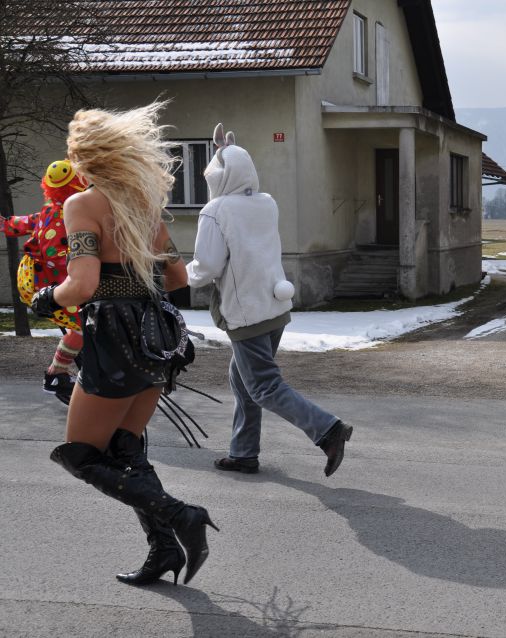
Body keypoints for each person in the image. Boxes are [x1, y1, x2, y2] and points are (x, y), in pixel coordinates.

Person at [30, 102, 218, 586]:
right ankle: (162, 551)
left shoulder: (81, 205)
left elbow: (83, 285)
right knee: (125, 448)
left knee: (81, 454)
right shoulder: (144, 203)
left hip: (112, 337)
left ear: (86, 159)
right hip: (157, 337)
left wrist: (45, 298)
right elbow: (176, 276)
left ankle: (182, 516)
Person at [186, 124, 352, 477]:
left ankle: (327, 430)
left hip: (245, 313)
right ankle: (244, 453)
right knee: (242, 378)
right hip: (274, 305)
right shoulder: (266, 203)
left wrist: (185, 275)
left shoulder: (215, 211)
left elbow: (209, 265)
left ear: (218, 177)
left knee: (263, 385)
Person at [3, 159, 88, 403]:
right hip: (43, 284)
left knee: (85, 321)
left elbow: (18, 224)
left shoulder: (50, 211)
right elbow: (54, 256)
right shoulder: (65, 215)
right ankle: (56, 373)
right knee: (81, 325)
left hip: (36, 278)